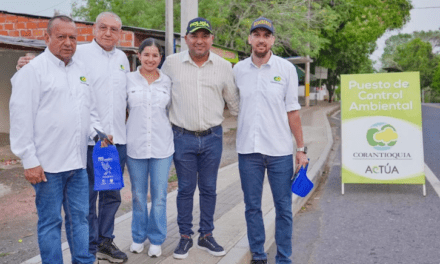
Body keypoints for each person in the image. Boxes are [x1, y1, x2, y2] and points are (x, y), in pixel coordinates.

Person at [17, 11, 129, 263]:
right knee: (53, 221)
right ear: (47, 38)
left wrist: (98, 132)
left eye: (71, 37)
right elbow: (21, 118)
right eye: (61, 37)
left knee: (85, 213)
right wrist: (29, 160)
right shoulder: (41, 68)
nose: (68, 42)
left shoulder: (87, 66)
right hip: (51, 163)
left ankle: (91, 253)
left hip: (86, 157)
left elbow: (86, 110)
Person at [161, 17, 239, 259]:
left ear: (211, 39)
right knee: (185, 189)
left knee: (208, 188)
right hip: (182, 137)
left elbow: (234, 103)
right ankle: (185, 237)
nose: (199, 41)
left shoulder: (224, 66)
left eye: (205, 36)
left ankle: (206, 235)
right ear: (186, 39)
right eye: (194, 36)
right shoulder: (171, 64)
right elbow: (160, 100)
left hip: (213, 137)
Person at [233, 17, 308, 264]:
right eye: (257, 34)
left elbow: (293, 111)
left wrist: (300, 149)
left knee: (284, 208)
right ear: (250, 39)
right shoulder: (238, 70)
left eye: (266, 35)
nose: (261, 39)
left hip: (279, 151)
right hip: (248, 150)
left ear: (272, 39)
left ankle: (284, 258)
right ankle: (258, 255)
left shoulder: (286, 70)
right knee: (252, 207)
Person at [125, 38, 173, 257]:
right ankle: (137, 236)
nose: (151, 59)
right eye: (147, 55)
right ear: (139, 55)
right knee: (137, 195)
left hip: (162, 147)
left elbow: (173, 112)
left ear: (160, 58)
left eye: (155, 55)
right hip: (135, 147)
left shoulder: (167, 82)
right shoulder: (128, 80)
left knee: (159, 196)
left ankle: (156, 239)